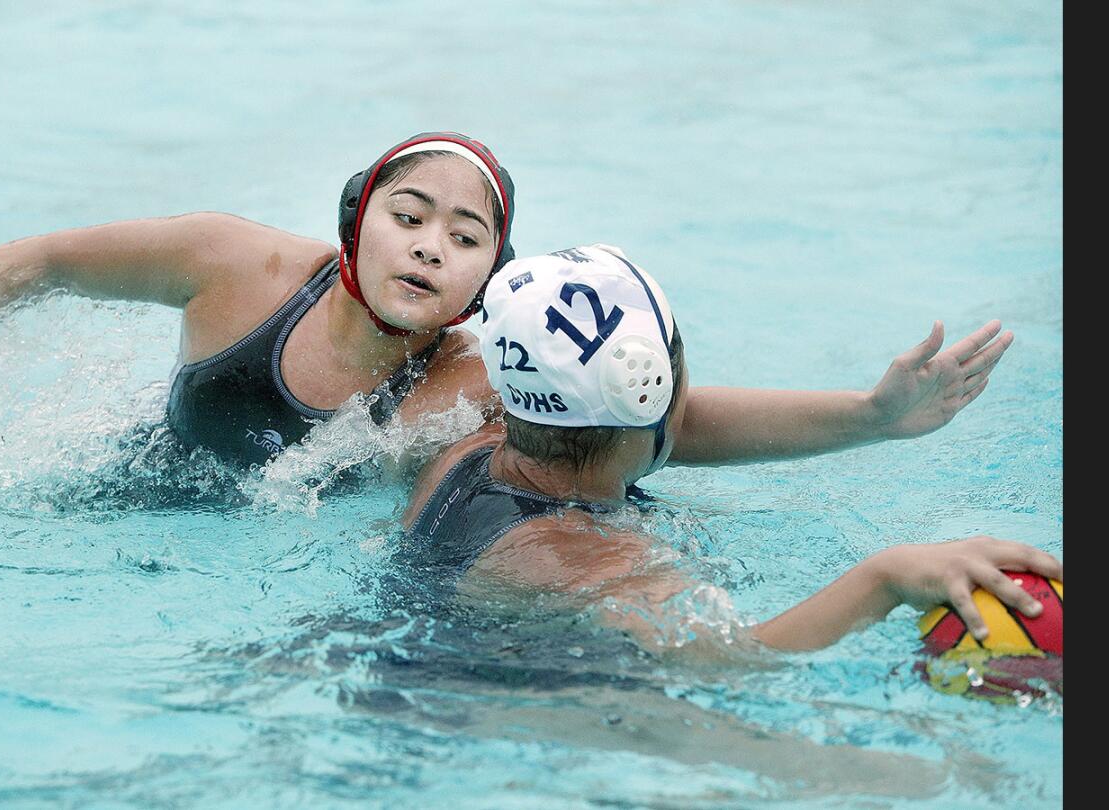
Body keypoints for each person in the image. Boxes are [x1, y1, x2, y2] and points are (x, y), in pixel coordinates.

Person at [0, 131, 1012, 474]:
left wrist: (871, 416)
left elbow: (666, 423)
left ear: (488, 275)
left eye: (466, 235)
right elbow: (38, 263)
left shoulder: (474, 372)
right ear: (355, 217)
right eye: (409, 212)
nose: (430, 245)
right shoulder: (233, 266)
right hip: (132, 487)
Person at [400, 245, 1060, 656]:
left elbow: (671, 428)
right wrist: (884, 577)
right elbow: (735, 663)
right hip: (505, 712)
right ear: (649, 388)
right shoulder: (593, 561)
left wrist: (873, 417)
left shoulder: (471, 445)